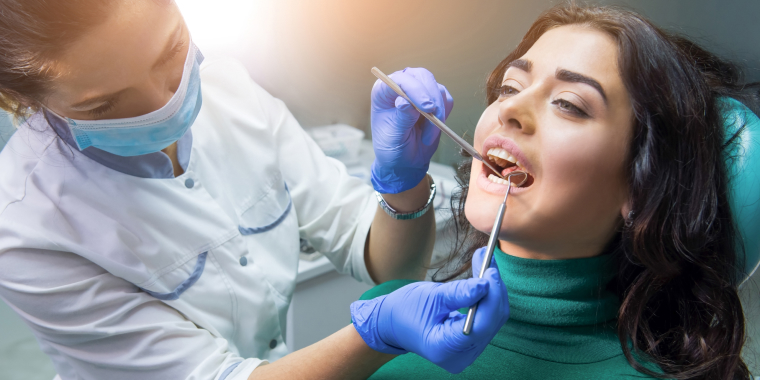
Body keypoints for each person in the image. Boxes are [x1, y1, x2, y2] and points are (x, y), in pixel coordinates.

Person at [0, 1, 510, 379]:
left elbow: (388, 265)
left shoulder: (231, 91)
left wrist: (404, 185)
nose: (165, 105)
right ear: (17, 102)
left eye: (171, 52)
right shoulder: (26, 228)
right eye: (104, 106)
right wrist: (374, 334)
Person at [359, 3, 760, 379]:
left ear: (642, 185)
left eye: (569, 103)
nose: (509, 110)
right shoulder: (388, 313)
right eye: (510, 87)